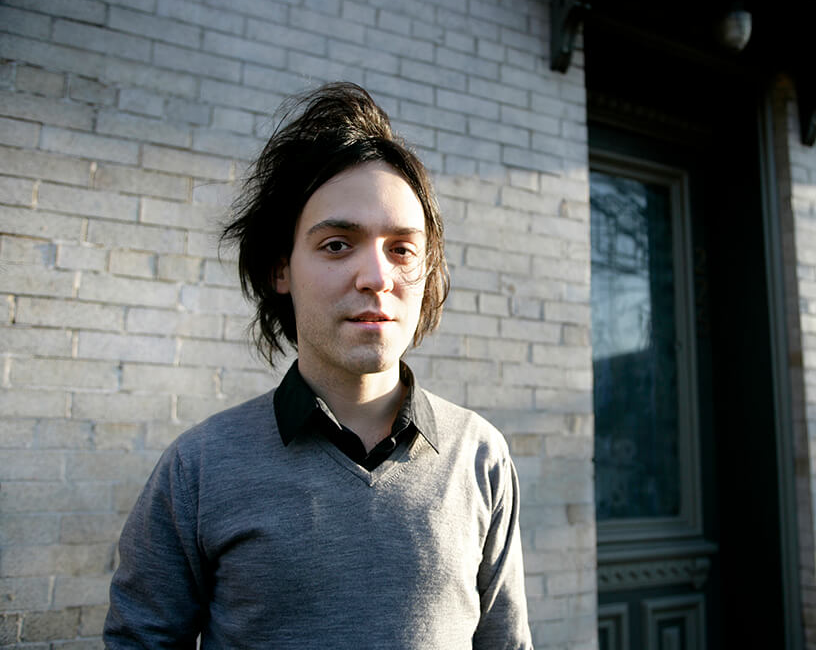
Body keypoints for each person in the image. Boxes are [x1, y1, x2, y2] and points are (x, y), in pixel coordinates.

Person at [104, 82, 533, 649]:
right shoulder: (199, 469)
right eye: (337, 244)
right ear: (281, 269)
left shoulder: (480, 457)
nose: (376, 277)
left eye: (402, 249)